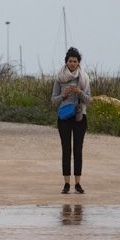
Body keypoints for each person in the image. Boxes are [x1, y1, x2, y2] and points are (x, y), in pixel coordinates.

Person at [50, 47, 91, 194]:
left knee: (77, 150)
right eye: (70, 61)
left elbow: (89, 100)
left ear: (79, 62)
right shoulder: (59, 78)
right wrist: (64, 96)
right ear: (66, 62)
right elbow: (53, 100)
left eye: (75, 61)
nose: (72, 64)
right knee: (66, 149)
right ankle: (66, 183)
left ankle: (78, 183)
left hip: (80, 117)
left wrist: (79, 92)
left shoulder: (84, 78)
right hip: (64, 117)